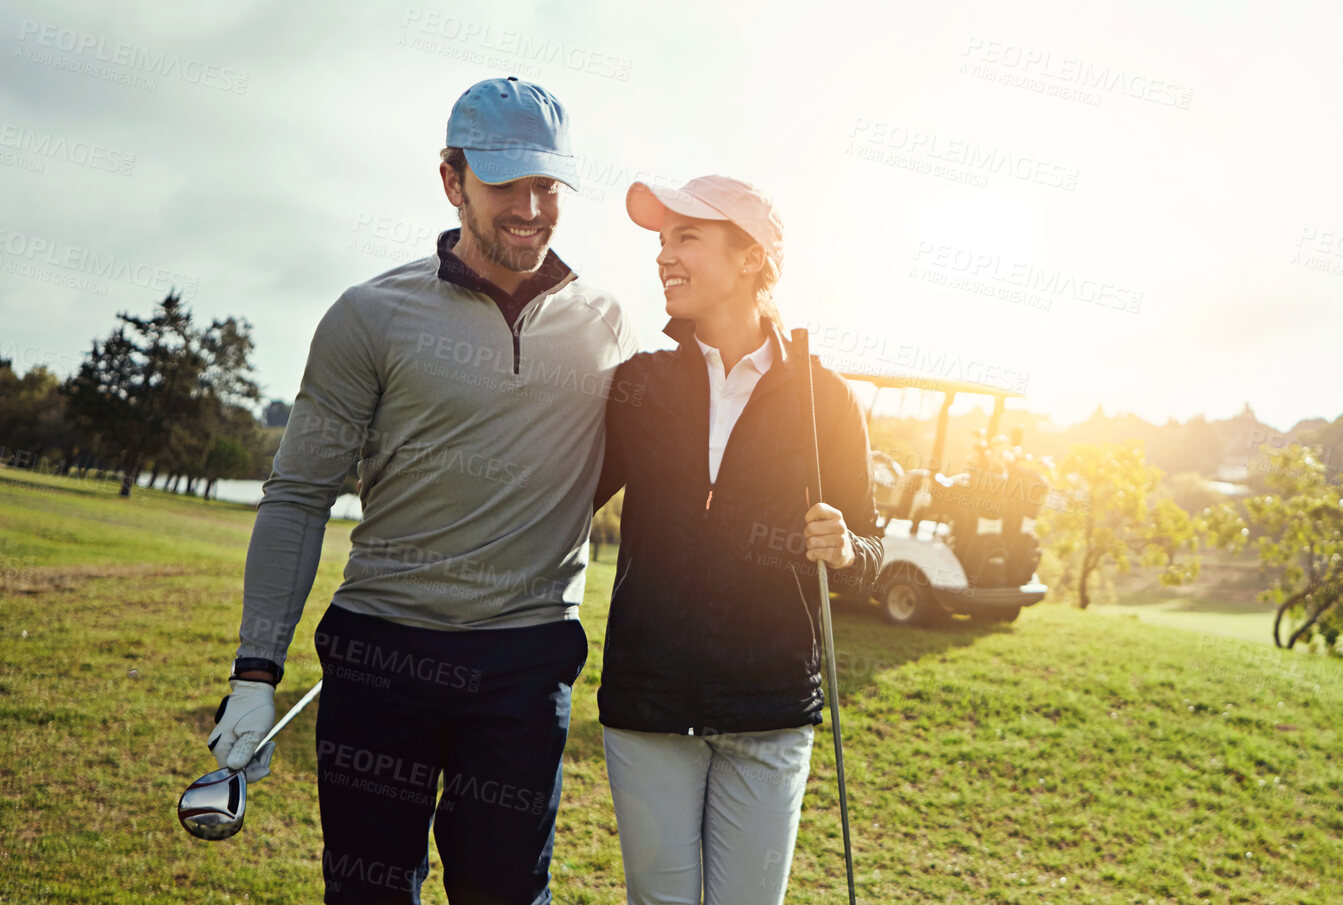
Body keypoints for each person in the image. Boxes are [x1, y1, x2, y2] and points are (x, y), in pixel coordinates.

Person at [203, 77, 637, 903]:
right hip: (381, 652)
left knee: (507, 893)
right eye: (505, 182)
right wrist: (257, 670)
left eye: (547, 185)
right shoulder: (369, 316)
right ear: (451, 179)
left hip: (525, 656)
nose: (530, 206)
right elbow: (297, 495)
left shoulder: (607, 322)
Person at [591, 175, 884, 904]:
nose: (665, 256)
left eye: (686, 236)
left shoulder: (827, 399)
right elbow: (556, 499)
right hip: (649, 707)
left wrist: (846, 549)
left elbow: (871, 551)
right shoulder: (639, 384)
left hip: (770, 710)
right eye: (662, 242)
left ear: (753, 258)